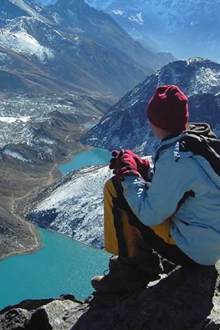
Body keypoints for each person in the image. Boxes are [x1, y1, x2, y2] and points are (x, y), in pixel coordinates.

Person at [91, 85, 220, 293]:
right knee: (136, 189)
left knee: (116, 189)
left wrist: (130, 175)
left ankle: (129, 271)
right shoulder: (198, 143)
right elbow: (175, 184)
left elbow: (150, 215)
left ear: (156, 124)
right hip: (207, 242)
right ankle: (145, 261)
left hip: (193, 251)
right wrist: (142, 168)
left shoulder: (178, 158)